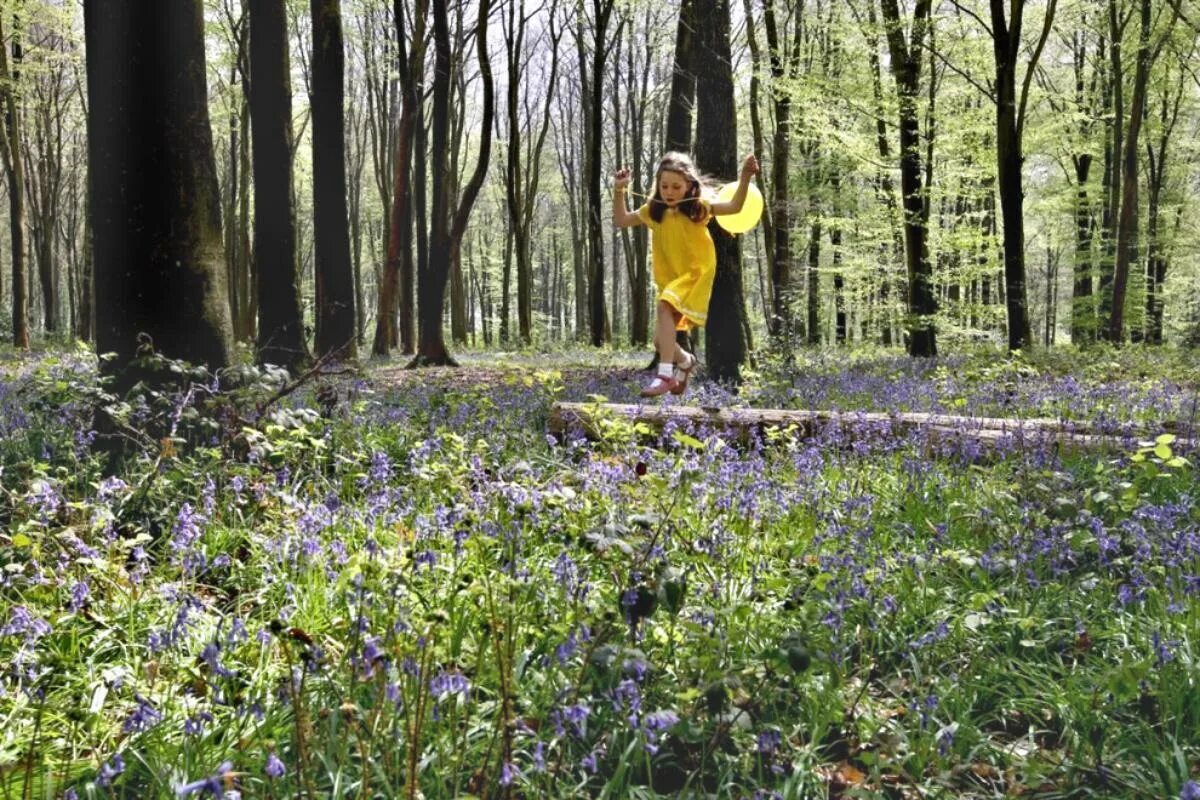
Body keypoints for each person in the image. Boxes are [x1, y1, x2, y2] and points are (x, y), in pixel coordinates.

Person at [612, 151, 759, 397]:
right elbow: (622, 219)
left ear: (689, 186)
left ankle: (665, 375)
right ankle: (685, 361)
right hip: (670, 279)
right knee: (661, 342)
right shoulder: (653, 211)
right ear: (657, 186)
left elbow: (735, 207)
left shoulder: (698, 209)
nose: (669, 192)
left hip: (695, 273)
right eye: (665, 186)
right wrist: (619, 190)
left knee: (663, 306)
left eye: (676, 187)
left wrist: (744, 177)